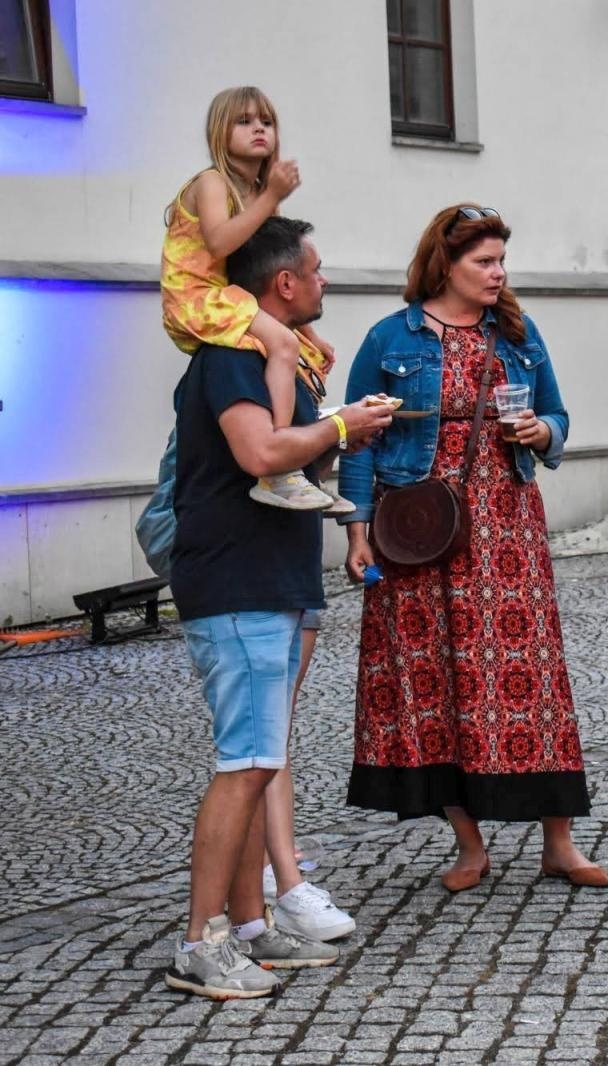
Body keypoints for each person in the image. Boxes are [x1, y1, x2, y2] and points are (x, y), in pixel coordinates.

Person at [341, 204, 608, 893]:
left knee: (532, 680)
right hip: (421, 531)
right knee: (435, 682)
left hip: (507, 528)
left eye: (500, 261)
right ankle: (469, 846)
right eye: (483, 262)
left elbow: (559, 415)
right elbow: (357, 442)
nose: (497, 273)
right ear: (445, 265)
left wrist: (541, 434)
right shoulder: (388, 338)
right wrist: (357, 531)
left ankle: (560, 842)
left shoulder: (516, 331)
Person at [165, 217, 392, 1000]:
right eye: (318, 271)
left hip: (274, 579)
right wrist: (337, 426)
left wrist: (343, 435)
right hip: (237, 583)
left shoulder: (275, 358)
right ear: (283, 284)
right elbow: (259, 454)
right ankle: (201, 943)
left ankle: (254, 927)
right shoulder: (233, 356)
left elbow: (292, 451)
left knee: (261, 762)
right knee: (246, 763)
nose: (325, 282)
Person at [161, 85, 344, 512]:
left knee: (302, 353)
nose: (258, 129)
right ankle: (281, 469)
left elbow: (271, 275)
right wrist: (272, 198)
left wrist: (309, 333)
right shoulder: (212, 182)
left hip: (233, 296)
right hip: (197, 298)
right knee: (283, 344)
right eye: (244, 121)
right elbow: (221, 243)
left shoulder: (258, 196)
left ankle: (303, 471)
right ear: (220, 131)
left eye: (266, 121)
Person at [258, 608, 358, 942]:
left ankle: (273, 867)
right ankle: (282, 881)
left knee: (276, 733)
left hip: (294, 588)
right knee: (258, 738)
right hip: (239, 594)